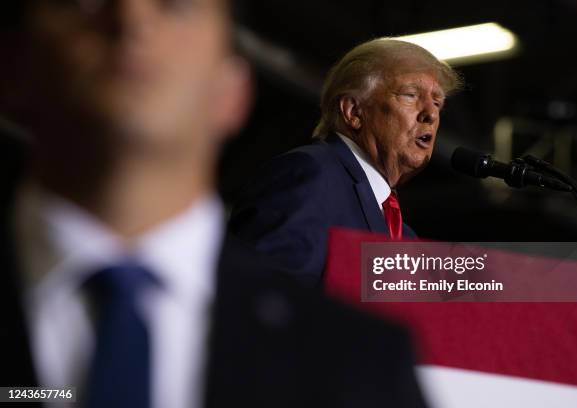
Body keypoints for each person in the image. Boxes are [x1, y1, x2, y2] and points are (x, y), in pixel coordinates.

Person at [0, 1, 428, 408]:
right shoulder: (315, 176)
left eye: (177, 4)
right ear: (12, 68)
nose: (131, 19)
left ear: (234, 90)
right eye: (84, 1)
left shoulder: (371, 366)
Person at [230, 39, 462, 286]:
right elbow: (267, 299)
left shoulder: (405, 237)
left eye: (437, 102)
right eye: (410, 95)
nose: (431, 114)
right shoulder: (309, 175)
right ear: (353, 112)